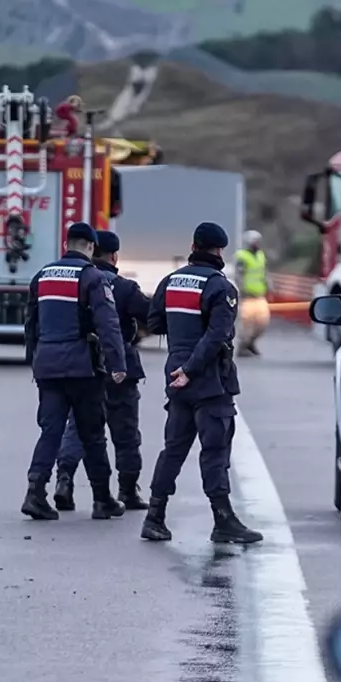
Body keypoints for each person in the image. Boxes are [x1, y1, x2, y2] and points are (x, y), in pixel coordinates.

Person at [140, 221, 263, 545]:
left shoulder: (171, 281)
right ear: (219, 250)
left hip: (176, 377)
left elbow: (153, 322)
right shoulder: (220, 287)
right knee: (215, 450)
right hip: (208, 381)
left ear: (194, 246)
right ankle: (223, 520)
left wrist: (181, 358)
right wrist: (192, 369)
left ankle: (154, 516)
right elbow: (217, 335)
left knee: (174, 449)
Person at [21, 222, 128, 521]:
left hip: (47, 366)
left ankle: (35, 493)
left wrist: (35, 359)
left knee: (50, 431)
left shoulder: (42, 276)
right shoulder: (92, 277)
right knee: (92, 434)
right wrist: (118, 364)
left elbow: (31, 324)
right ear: (92, 248)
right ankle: (102, 498)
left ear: (66, 244)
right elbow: (108, 324)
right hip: (82, 368)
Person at [54, 230, 152, 511]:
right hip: (121, 367)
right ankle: (127, 489)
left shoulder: (77, 282)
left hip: (83, 365)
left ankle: (64, 479)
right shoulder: (123, 288)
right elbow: (152, 316)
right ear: (114, 256)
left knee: (78, 429)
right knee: (126, 433)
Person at [233, 230, 269, 357]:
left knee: (262, 323)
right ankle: (242, 347)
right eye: (255, 241)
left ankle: (251, 342)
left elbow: (264, 272)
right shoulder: (242, 256)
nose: (257, 243)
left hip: (260, 295)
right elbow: (238, 275)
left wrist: (269, 286)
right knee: (247, 324)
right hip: (247, 296)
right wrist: (241, 289)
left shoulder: (260, 255)